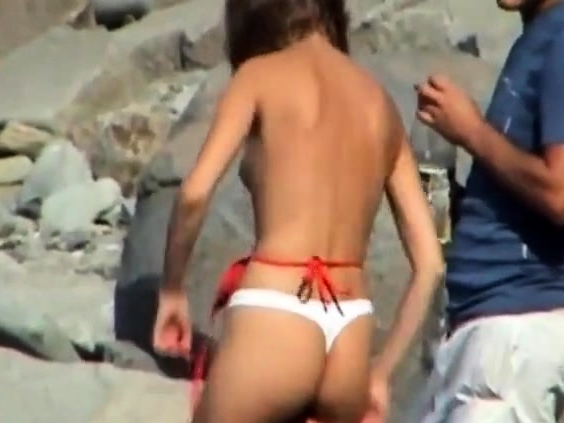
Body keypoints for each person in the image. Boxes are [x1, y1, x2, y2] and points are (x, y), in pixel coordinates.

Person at [152, 0, 444, 422]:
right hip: (349, 327)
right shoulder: (380, 103)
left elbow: (195, 193)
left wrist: (172, 290)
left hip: (278, 309)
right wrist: (380, 374)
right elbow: (431, 264)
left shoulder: (259, 75)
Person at [410, 0, 564, 421]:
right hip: (489, 333)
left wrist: (471, 131)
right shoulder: (539, 37)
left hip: (512, 338)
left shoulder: (560, 37)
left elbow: (560, 195)